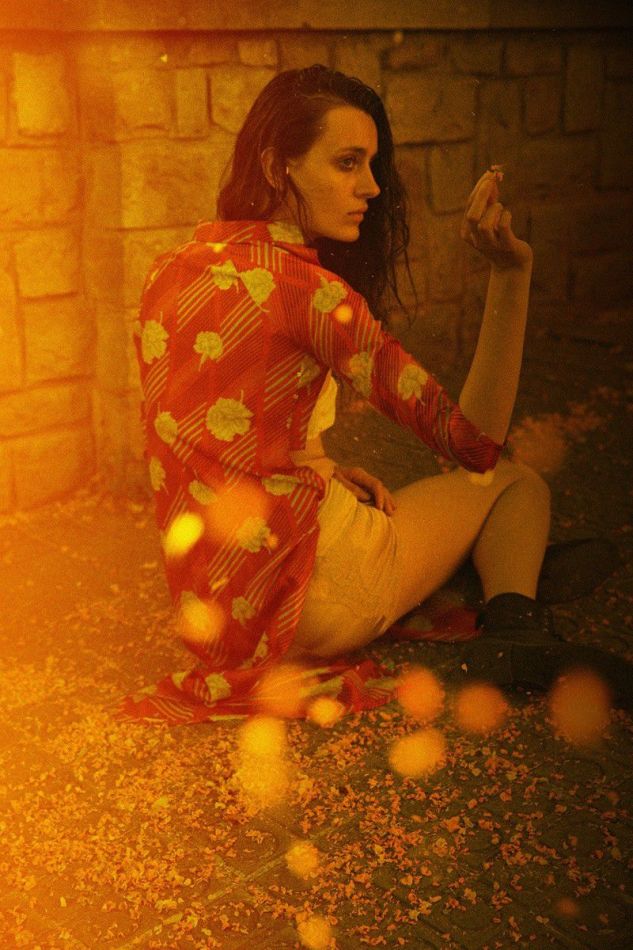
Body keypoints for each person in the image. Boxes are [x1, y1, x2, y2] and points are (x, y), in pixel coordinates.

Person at [114, 65, 630, 724]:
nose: (372, 187)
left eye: (370, 164)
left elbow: (214, 437)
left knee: (400, 508)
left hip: (221, 606)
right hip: (320, 592)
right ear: (276, 167)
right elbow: (474, 442)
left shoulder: (170, 269)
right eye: (347, 162)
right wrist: (510, 274)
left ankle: (470, 581)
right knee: (514, 484)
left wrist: (325, 468)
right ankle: (515, 630)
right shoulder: (311, 294)